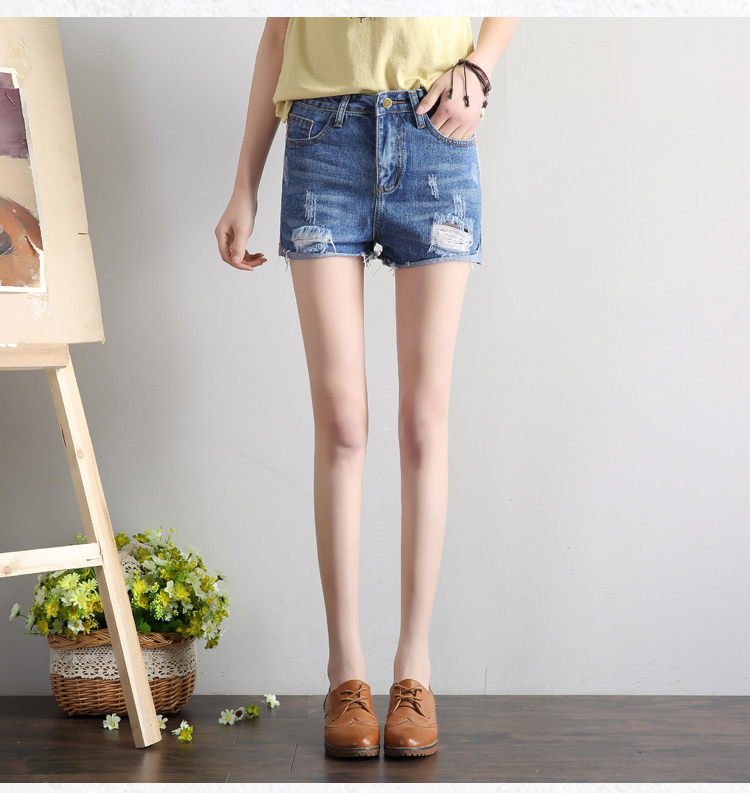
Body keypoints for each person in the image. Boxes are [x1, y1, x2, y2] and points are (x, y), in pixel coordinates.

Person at [215, 16, 519, 759]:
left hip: (435, 131)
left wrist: (480, 67)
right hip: (321, 140)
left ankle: (414, 670)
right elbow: (277, 33)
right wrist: (243, 185)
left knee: (423, 422)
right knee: (343, 422)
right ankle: (345, 671)